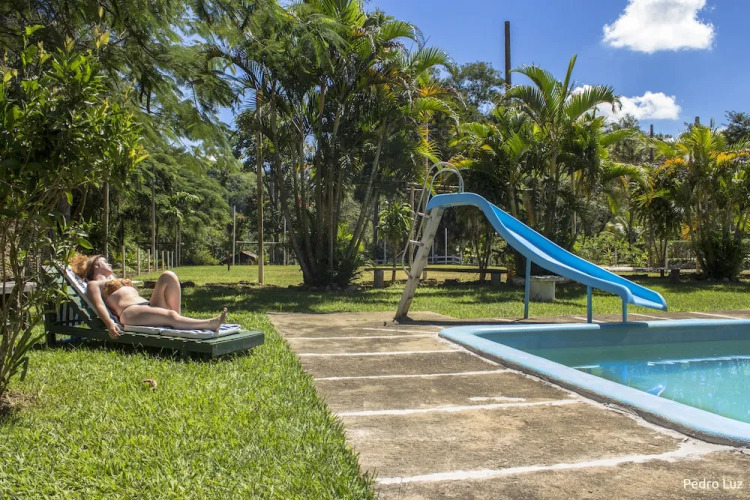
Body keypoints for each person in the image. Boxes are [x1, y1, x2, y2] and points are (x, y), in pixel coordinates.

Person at [73, 254, 227, 339]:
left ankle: (178, 321)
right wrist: (109, 324)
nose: (110, 264)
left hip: (147, 305)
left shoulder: (114, 278)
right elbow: (99, 305)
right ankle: (209, 324)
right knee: (170, 315)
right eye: (105, 262)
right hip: (130, 312)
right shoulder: (94, 284)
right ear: (96, 266)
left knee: (169, 276)